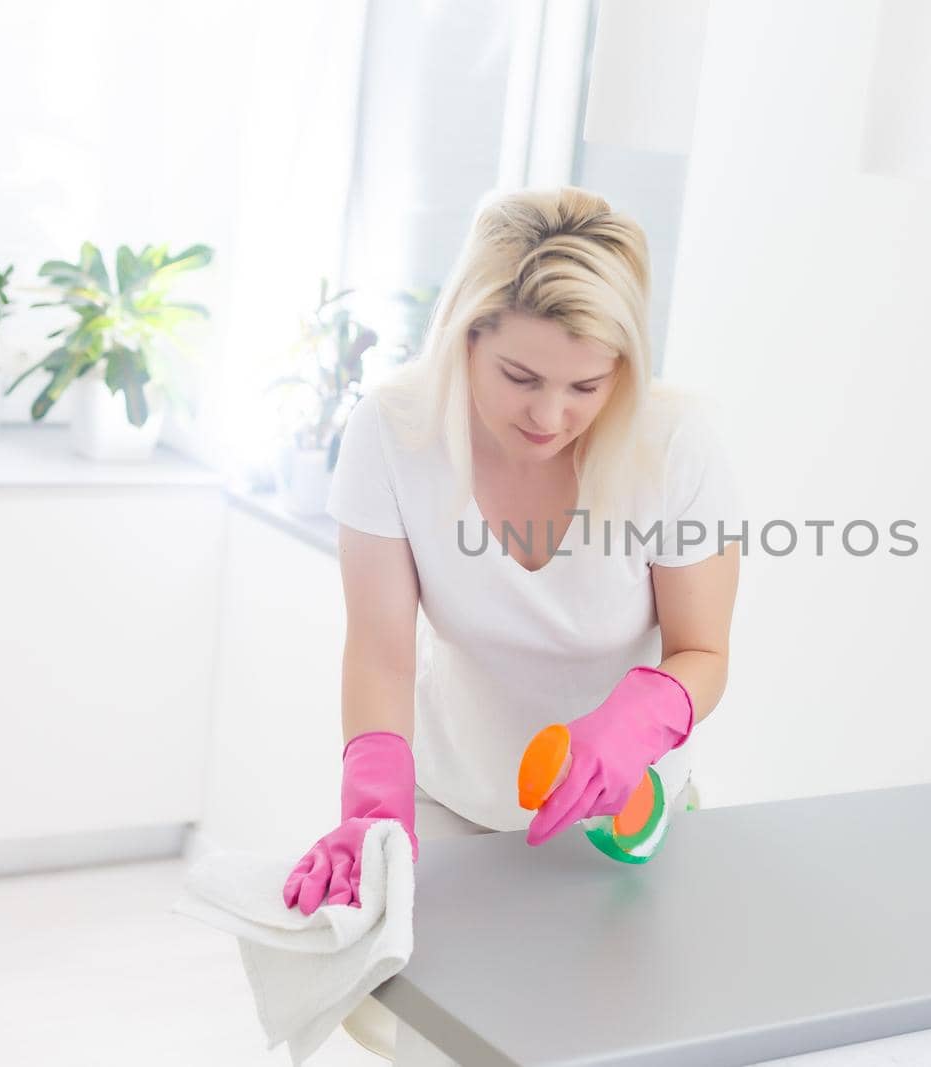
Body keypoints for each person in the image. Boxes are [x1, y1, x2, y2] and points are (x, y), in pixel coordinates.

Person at [280, 186, 742, 1062]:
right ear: (467, 336)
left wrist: (638, 719)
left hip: (621, 830)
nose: (549, 415)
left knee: (603, 1042)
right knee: (437, 1046)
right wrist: (373, 807)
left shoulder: (673, 442)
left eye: (587, 385)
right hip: (454, 806)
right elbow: (379, 650)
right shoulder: (395, 429)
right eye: (520, 378)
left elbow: (704, 650)